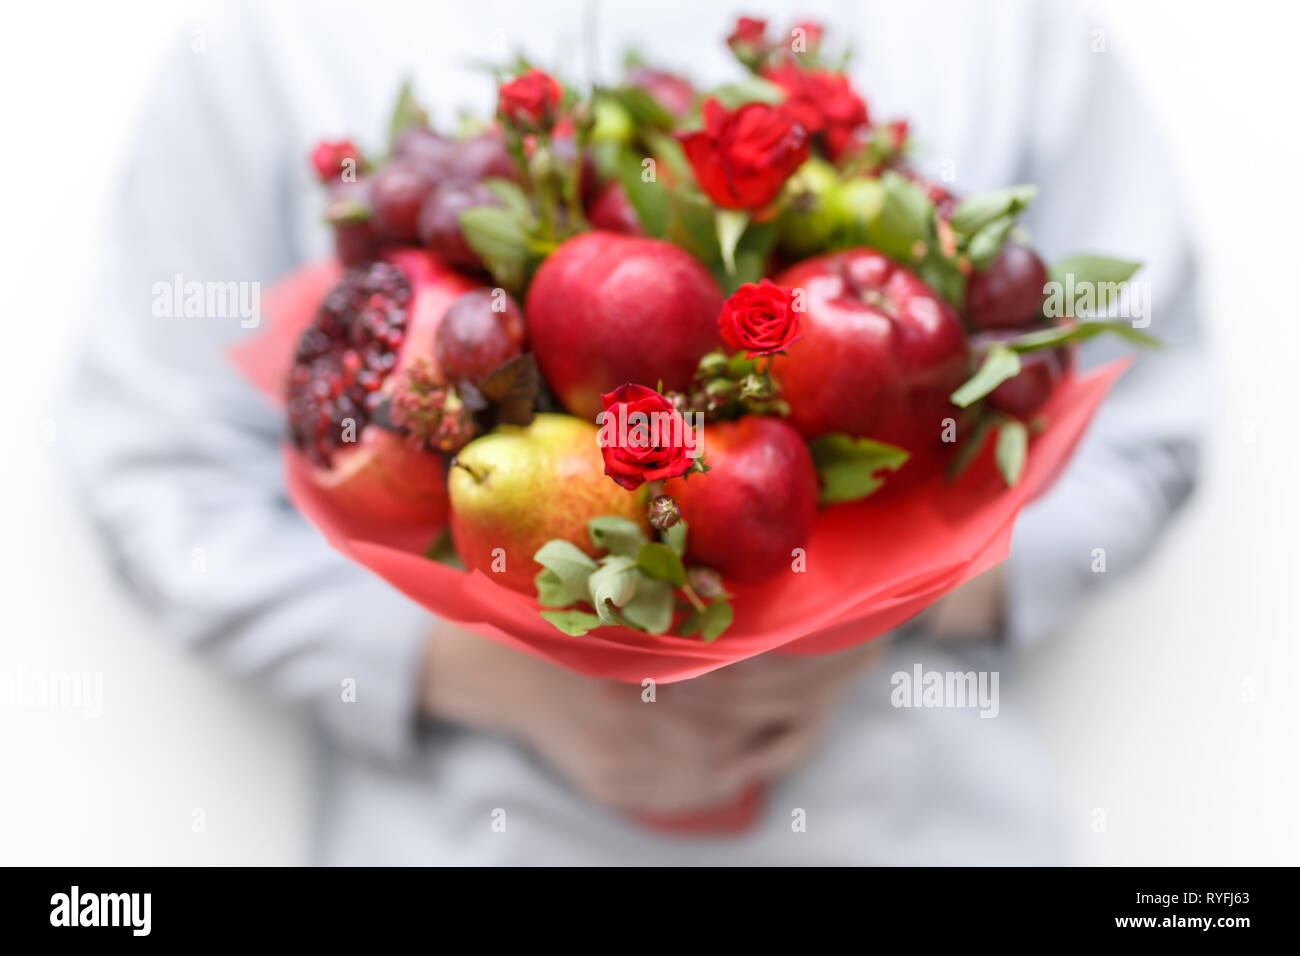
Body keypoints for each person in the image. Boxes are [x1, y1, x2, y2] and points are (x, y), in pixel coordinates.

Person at [63, 0, 1203, 865]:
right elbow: (152, 463)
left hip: (917, 824)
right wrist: (462, 669)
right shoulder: (275, 35)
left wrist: (883, 616)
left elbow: (1144, 417)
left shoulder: (1003, 22)